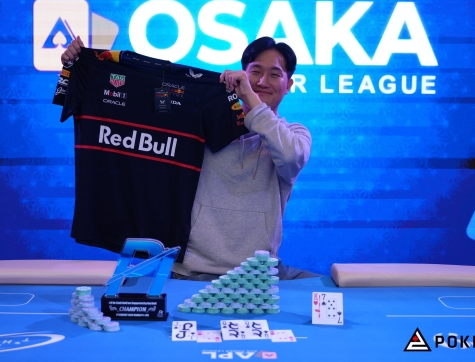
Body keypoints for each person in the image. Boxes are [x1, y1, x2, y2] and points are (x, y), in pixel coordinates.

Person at [61, 36, 317, 280]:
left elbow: (290, 156)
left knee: (324, 288)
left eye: (274, 74)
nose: (262, 81)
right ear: (243, 74)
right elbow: (142, 109)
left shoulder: (295, 134)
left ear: (289, 85)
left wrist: (250, 97)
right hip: (190, 271)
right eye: (255, 72)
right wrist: (78, 66)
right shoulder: (201, 121)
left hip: (257, 273)